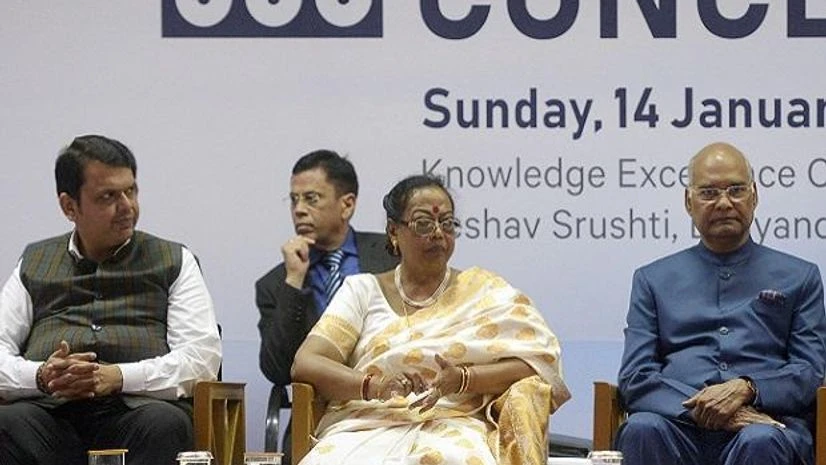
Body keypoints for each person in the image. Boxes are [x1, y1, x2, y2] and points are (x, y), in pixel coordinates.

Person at [291, 174, 571, 465]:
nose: (438, 233)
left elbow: (538, 364)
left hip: (454, 425)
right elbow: (307, 362)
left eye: (447, 223)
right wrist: (373, 386)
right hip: (365, 424)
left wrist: (463, 379)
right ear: (393, 232)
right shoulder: (362, 291)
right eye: (424, 223)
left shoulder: (485, 293)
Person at [0, 135, 222, 465]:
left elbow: (201, 360)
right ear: (69, 206)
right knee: (6, 425)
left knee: (165, 424)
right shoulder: (34, 261)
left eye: (131, 191)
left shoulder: (174, 259)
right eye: (108, 197)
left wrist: (117, 376)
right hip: (48, 416)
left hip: (136, 413)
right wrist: (43, 377)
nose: (127, 207)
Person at [616, 142, 826, 465]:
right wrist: (711, 410)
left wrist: (748, 389)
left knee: (761, 440)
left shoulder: (801, 277)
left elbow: (809, 372)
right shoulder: (651, 279)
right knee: (641, 428)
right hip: (677, 427)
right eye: (709, 193)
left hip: (766, 426)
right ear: (688, 202)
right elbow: (636, 377)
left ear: (755, 196)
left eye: (736, 190)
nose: (725, 202)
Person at [255, 149, 397, 458]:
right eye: (293, 200)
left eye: (311, 199)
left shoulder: (392, 257)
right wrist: (294, 281)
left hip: (394, 402)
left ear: (347, 204)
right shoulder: (274, 284)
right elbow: (278, 370)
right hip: (316, 415)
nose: (299, 210)